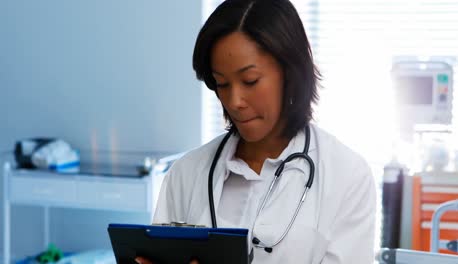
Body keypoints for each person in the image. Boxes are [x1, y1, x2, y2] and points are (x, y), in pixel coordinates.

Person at [136, 0, 376, 263]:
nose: (234, 100)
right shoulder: (186, 173)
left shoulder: (347, 176)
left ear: (290, 72)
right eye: (222, 84)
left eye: (250, 81)